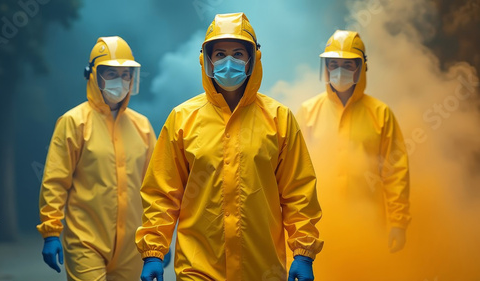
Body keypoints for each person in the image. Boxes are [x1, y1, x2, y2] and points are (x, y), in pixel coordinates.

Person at [135, 13, 323, 281]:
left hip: (262, 268)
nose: (229, 61)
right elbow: (162, 192)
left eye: (238, 53)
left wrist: (303, 252)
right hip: (198, 267)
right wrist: (153, 250)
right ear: (207, 61)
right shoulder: (182, 118)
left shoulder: (279, 118)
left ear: (252, 59)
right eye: (220, 54)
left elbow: (298, 190)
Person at [37, 36, 161, 280]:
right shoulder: (74, 122)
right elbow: (55, 180)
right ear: (93, 75)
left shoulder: (142, 127)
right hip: (86, 241)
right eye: (111, 73)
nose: (121, 81)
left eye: (126, 74)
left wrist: (156, 242)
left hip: (132, 249)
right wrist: (51, 232)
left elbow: (155, 189)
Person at [295, 30, 411, 279]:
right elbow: (292, 175)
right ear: (325, 67)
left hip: (368, 223)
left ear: (361, 68)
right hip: (320, 226)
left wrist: (398, 222)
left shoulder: (380, 114)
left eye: (348, 65)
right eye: (333, 64)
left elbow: (395, 171)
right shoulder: (308, 112)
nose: (340, 71)